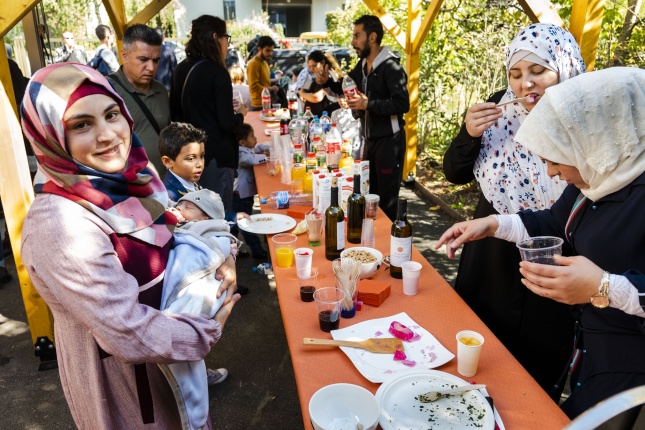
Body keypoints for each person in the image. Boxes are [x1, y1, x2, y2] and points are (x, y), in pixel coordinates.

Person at [20, 62, 239, 429]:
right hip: (129, 385)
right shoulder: (58, 225)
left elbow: (179, 229)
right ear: (50, 135)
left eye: (111, 114)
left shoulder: (133, 176)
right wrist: (204, 331)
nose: (108, 135)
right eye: (81, 124)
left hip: (172, 359)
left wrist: (223, 255)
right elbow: (127, 331)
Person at [436, 67, 645, 423]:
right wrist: (492, 224)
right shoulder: (599, 176)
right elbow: (553, 222)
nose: (549, 172)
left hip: (629, 373)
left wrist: (605, 287)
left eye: (554, 158)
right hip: (590, 354)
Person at [441, 23, 586, 397]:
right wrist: (468, 134)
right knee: (476, 354)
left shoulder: (588, 123)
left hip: (552, 257)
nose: (525, 84)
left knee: (532, 376)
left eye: (538, 71)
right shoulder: (497, 107)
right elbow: (454, 172)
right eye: (516, 74)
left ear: (565, 67)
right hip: (489, 253)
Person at [161, 189, 240, 430]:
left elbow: (218, 244)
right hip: (161, 313)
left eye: (188, 207)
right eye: (179, 205)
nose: (179, 209)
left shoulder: (206, 231)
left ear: (205, 218)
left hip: (199, 282)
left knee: (190, 314)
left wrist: (227, 254)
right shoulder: (179, 223)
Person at [316, 15, 410, 221]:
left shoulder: (391, 66)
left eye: (357, 36)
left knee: (386, 203)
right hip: (369, 142)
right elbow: (344, 86)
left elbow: (403, 104)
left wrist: (368, 104)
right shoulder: (362, 66)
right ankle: (372, 247)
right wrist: (325, 83)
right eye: (353, 36)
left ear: (372, 37)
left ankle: (389, 249)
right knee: (369, 197)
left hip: (389, 143)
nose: (353, 41)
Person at [170, 15, 248, 213]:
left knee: (195, 215)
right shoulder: (217, 72)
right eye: (226, 38)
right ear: (215, 37)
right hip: (215, 158)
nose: (227, 45)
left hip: (187, 157)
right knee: (219, 216)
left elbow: (176, 113)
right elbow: (227, 123)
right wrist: (240, 114)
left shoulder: (180, 69)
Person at [108, 24, 170, 174]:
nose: (151, 67)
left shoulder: (161, 90)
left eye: (156, 60)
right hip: (128, 188)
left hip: (164, 185)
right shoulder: (107, 90)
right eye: (143, 59)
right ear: (125, 56)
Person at [233, 123, 269, 259]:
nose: (255, 139)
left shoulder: (246, 148)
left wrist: (270, 146)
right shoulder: (241, 153)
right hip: (239, 197)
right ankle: (257, 251)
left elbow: (258, 148)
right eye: (252, 137)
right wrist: (267, 158)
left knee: (235, 226)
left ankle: (233, 250)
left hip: (243, 196)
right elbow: (250, 159)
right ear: (242, 142)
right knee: (245, 225)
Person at [299, 50, 341, 117]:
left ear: (323, 62)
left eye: (314, 66)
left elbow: (317, 97)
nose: (312, 69)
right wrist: (305, 93)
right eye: (310, 66)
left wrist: (302, 93)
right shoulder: (319, 76)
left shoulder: (328, 76)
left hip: (326, 119)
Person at [247, 35, 279, 111]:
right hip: (258, 105)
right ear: (259, 49)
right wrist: (272, 89)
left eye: (271, 50)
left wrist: (275, 81)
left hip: (266, 102)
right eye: (267, 50)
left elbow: (264, 81)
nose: (270, 53)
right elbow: (254, 86)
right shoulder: (253, 63)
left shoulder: (264, 62)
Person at [154, 27, 177, 92]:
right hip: (167, 87)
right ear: (163, 37)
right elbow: (174, 69)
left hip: (152, 87)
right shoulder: (169, 50)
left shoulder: (147, 51)